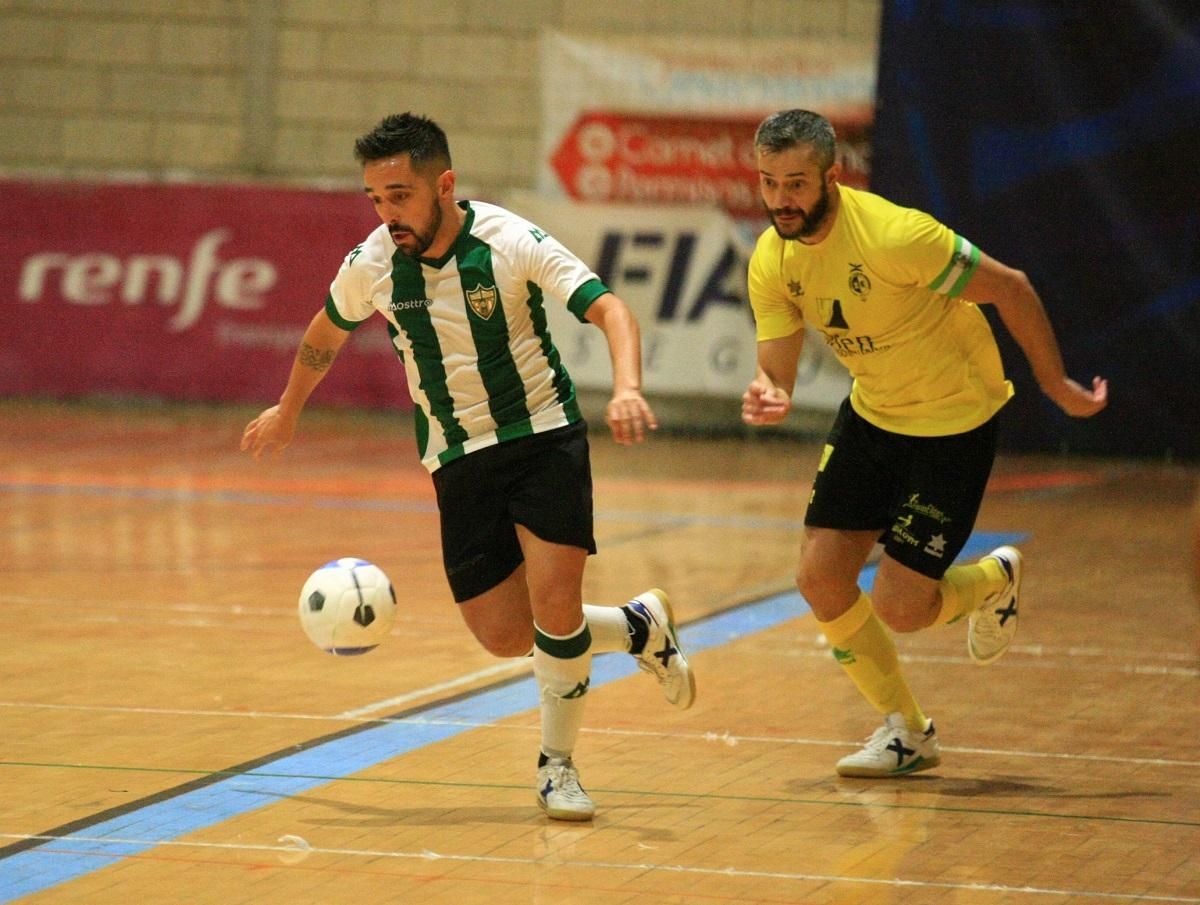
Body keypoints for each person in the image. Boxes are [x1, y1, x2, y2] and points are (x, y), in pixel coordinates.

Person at [241, 112, 695, 819]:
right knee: (505, 634)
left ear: (443, 185)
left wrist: (628, 386)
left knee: (554, 606)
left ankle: (558, 765)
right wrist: (289, 408)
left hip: (543, 434)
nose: (387, 213)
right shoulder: (373, 264)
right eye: (375, 199)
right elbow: (323, 334)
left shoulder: (507, 240)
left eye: (399, 196)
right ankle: (639, 627)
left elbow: (610, 310)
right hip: (457, 456)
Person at [741, 109, 1108, 777]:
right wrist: (770, 390)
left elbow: (1012, 288)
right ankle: (908, 731)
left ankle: (994, 579)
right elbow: (778, 364)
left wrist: (1054, 384)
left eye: (795, 183)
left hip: (952, 425)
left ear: (832, 175)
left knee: (901, 608)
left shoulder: (895, 236)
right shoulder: (773, 258)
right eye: (768, 183)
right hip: (873, 415)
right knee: (820, 579)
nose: (780, 200)